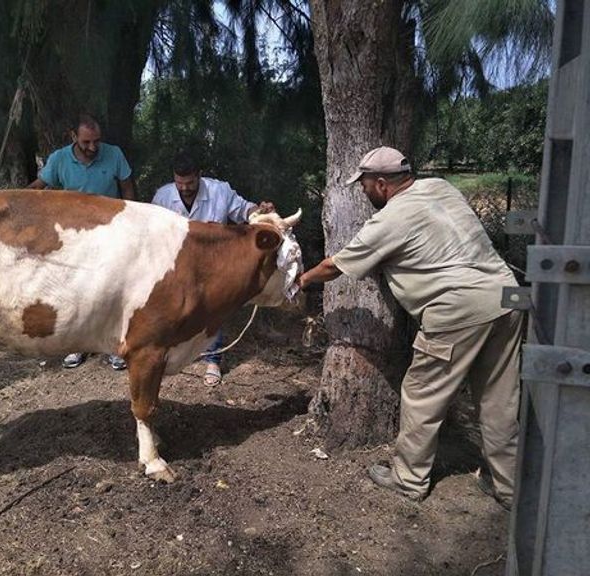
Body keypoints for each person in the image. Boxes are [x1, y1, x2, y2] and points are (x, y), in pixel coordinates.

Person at [298, 146, 522, 510]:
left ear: (382, 184)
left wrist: (301, 280)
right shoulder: (441, 188)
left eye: (365, 184)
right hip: (506, 297)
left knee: (421, 393)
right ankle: (508, 486)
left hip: (458, 308)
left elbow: (334, 266)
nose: (363, 191)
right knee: (500, 400)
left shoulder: (389, 220)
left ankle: (408, 480)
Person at [152, 151, 274, 386]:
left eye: (190, 182)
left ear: (200, 175)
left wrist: (259, 212)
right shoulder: (162, 196)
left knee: (214, 309)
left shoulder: (220, 191)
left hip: (212, 266)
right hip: (173, 265)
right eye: (180, 183)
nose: (185, 188)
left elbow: (244, 210)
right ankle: (167, 354)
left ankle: (213, 360)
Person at [28, 113, 135, 371]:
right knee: (76, 290)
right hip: (74, 238)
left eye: (96, 141)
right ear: (73, 136)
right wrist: (10, 202)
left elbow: (128, 188)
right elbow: (38, 187)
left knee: (113, 290)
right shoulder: (59, 159)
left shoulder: (114, 154)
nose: (93, 147)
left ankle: (114, 346)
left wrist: (132, 219)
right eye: (86, 142)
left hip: (111, 233)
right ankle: (78, 345)